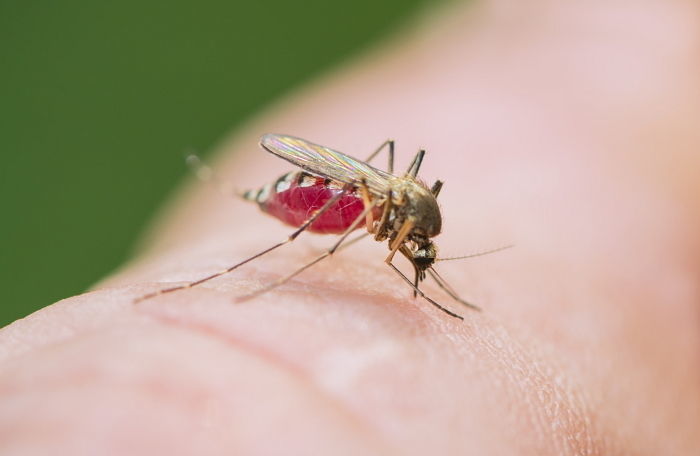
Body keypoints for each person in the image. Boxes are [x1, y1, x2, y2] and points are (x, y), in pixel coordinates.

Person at [1, 1, 698, 454]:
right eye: (417, 253)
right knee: (352, 215)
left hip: (365, 192)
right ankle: (245, 261)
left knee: (380, 194)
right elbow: (391, 209)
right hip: (340, 193)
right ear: (419, 237)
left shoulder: (414, 223)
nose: (412, 256)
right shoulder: (399, 217)